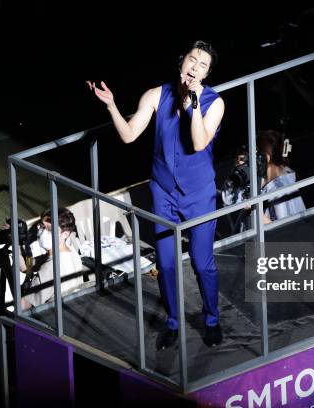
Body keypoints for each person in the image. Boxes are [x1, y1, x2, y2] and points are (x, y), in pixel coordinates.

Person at [87, 40, 225, 349]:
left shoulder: (215, 102)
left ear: (207, 74)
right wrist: (111, 105)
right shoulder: (155, 95)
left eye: (203, 66)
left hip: (199, 193)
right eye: (192, 60)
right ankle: (173, 321)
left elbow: (199, 143)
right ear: (181, 62)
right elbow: (129, 134)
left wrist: (194, 105)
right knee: (165, 264)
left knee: (202, 263)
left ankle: (212, 319)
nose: (195, 68)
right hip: (163, 192)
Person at [222, 130, 305, 229]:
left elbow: (287, 232)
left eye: (255, 153)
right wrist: (239, 172)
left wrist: (254, 211)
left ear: (265, 157)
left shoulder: (282, 188)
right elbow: (229, 200)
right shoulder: (261, 182)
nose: (252, 159)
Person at [21, 207, 84, 309]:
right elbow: (30, 265)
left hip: (49, 319)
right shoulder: (72, 253)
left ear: (65, 234)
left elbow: (23, 306)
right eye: (42, 227)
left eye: (50, 230)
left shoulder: (50, 268)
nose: (43, 233)